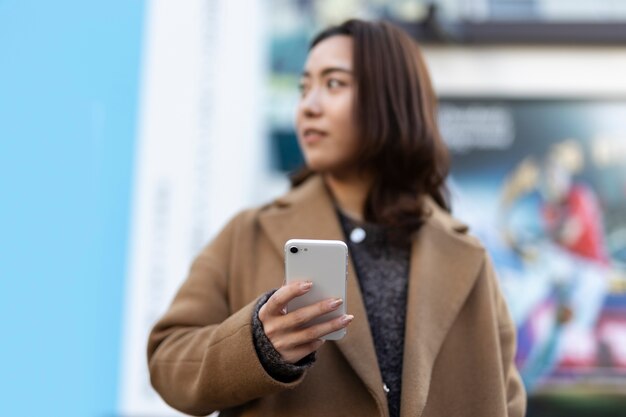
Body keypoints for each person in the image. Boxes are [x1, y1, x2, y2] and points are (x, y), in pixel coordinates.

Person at [147, 19, 526, 417]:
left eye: (333, 84)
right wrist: (256, 346)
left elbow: (507, 399)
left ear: (391, 98)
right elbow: (168, 360)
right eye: (303, 88)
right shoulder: (249, 233)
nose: (308, 106)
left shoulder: (467, 253)